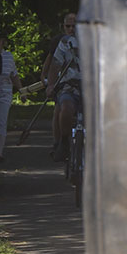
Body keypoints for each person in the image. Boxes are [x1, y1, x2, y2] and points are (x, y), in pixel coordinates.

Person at [42, 13, 81, 161]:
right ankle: (61, 142)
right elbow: (53, 63)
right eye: (68, 26)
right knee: (62, 108)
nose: (72, 29)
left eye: (75, 25)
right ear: (63, 27)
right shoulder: (62, 42)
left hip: (89, 88)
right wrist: (49, 84)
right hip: (68, 85)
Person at [0, 31, 21, 162]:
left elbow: (13, 75)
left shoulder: (8, 56)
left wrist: (22, 91)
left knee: (1, 122)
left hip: (4, 94)